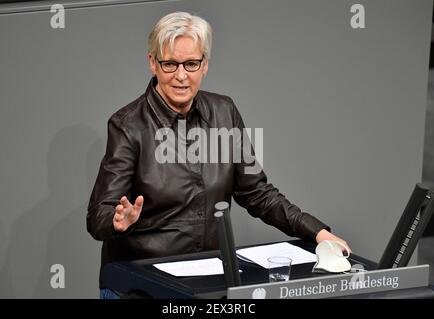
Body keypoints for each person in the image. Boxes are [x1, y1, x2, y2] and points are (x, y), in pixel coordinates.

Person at [87, 11, 351, 299]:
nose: (181, 75)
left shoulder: (224, 112)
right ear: (153, 63)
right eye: (170, 64)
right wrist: (117, 220)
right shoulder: (127, 125)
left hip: (208, 282)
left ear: (205, 65)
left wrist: (317, 233)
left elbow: (257, 193)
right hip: (142, 284)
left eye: (191, 63)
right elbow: (98, 215)